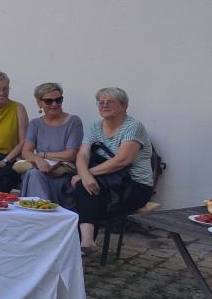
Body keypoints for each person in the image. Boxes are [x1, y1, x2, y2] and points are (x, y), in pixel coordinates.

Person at [71, 88, 155, 253]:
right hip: (106, 182)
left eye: (110, 101)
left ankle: (84, 243)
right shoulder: (95, 127)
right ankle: (84, 244)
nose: (104, 105)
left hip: (135, 186)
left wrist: (87, 175)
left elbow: (121, 161)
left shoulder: (133, 127)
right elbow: (82, 155)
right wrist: (85, 174)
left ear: (123, 105)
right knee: (81, 188)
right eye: (101, 102)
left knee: (84, 189)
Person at [20, 82, 83, 204]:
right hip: (40, 171)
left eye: (58, 100)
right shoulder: (35, 124)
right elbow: (25, 151)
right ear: (39, 103)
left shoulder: (73, 122)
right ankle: (41, 211)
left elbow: (70, 154)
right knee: (34, 174)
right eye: (49, 101)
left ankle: (40, 213)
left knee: (34, 175)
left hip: (62, 174)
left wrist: (42, 155)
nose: (54, 104)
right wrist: (38, 160)